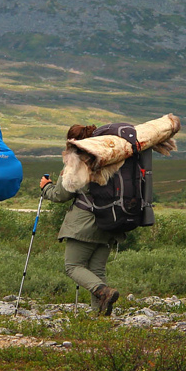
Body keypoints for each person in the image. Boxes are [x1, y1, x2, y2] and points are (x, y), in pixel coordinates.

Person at [38, 124, 124, 315]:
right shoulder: (111, 158)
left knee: (73, 266)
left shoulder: (76, 161)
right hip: (109, 222)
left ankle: (104, 292)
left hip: (83, 225)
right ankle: (99, 316)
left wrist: (46, 187)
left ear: (72, 142)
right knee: (97, 271)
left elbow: (61, 195)